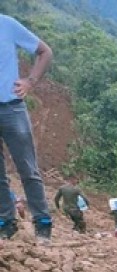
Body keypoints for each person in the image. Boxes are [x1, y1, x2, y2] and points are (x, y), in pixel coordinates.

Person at [0, 16, 54, 242]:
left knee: (28, 169)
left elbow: (45, 52)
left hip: (12, 108)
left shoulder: (7, 24)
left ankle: (42, 224)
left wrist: (30, 81)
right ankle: (6, 223)